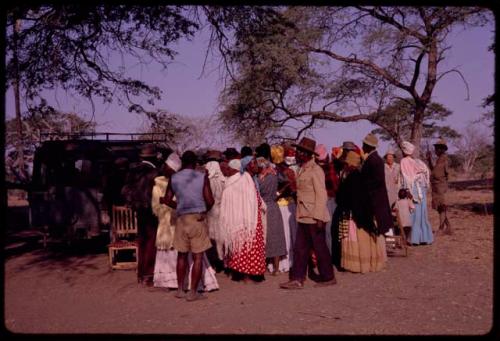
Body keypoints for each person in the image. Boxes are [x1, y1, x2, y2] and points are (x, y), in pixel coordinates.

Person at [152, 153, 219, 292]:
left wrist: (181, 206)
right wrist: (202, 211)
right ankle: (193, 292)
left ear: (182, 163)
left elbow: (168, 199)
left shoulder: (174, 178)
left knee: (181, 256)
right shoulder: (201, 177)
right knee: (198, 257)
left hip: (181, 219)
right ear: (195, 163)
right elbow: (210, 201)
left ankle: (180, 290)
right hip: (197, 219)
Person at [280, 137, 336, 289]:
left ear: (308, 154)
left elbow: (321, 194)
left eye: (301, 151)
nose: (298, 153)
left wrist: (318, 217)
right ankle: (297, 279)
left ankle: (328, 277)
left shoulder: (315, 170)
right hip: (303, 215)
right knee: (300, 249)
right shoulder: (302, 169)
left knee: (320, 248)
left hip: (313, 216)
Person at [334, 150, 387, 273]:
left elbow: (348, 198)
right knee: (365, 239)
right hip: (362, 213)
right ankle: (368, 264)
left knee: (358, 239)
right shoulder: (359, 175)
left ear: (349, 164)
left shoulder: (352, 178)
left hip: (355, 215)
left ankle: (357, 266)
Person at [219, 156, 267, 283]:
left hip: (251, 220)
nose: (257, 166)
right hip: (246, 220)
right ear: (248, 166)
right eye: (254, 163)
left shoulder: (248, 179)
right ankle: (246, 275)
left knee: (246, 246)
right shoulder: (243, 179)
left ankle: (244, 273)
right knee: (247, 247)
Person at [121, 144, 160, 287]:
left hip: (139, 210)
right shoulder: (155, 172)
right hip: (151, 211)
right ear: (154, 157)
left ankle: (141, 273)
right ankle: (148, 275)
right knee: (151, 242)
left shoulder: (133, 171)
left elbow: (124, 191)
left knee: (142, 241)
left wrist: (132, 202)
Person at [256, 145, 287, 275]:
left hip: (261, 206)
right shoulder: (274, 169)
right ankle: (275, 268)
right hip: (274, 205)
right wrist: (278, 193)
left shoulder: (257, 169)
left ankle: (261, 266)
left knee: (262, 237)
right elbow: (286, 181)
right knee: (276, 236)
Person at [400, 141, 433, 245]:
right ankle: (425, 238)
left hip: (413, 190)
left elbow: (406, 178)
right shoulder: (417, 161)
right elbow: (426, 173)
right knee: (422, 213)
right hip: (421, 190)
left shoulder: (404, 161)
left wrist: (407, 191)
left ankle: (415, 239)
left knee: (414, 213)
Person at [360, 133, 393, 237]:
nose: (362, 147)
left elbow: (377, 181)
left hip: (375, 201)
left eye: (364, 145)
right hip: (375, 200)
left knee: (377, 230)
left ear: (368, 146)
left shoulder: (373, 160)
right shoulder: (373, 159)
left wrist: (365, 188)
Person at [272, 145, 298, 273]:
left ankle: (285, 262)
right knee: (289, 234)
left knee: (285, 234)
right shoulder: (289, 171)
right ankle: (289, 261)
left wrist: (279, 193)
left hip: (282, 206)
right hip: (289, 205)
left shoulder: (275, 172)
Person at [314, 144, 339, 257]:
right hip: (330, 200)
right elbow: (335, 186)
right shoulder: (330, 168)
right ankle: (331, 255)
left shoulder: (314, 169)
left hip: (318, 201)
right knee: (330, 229)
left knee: (323, 230)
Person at [204, 151, 226, 272]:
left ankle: (211, 263)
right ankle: (220, 261)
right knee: (220, 238)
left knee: (211, 237)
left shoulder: (207, 180)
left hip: (210, 211)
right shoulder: (223, 180)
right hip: (220, 211)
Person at [426, 138, 452, 235]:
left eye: (437, 148)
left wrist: (445, 185)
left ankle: (441, 228)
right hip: (436, 187)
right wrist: (429, 160)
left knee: (441, 207)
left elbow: (447, 174)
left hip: (440, 187)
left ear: (441, 149)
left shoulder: (445, 159)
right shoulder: (439, 159)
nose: (435, 150)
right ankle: (448, 227)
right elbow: (434, 171)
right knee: (439, 207)